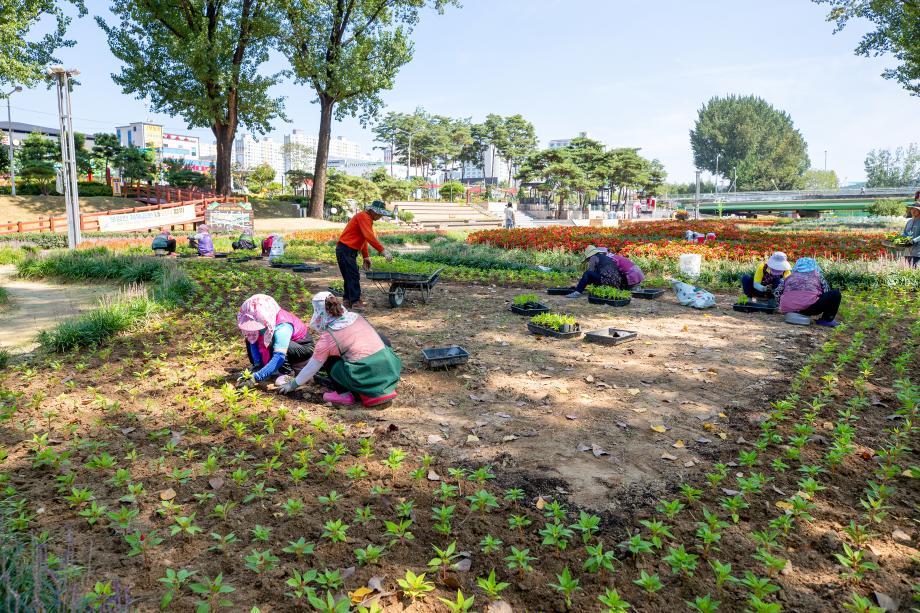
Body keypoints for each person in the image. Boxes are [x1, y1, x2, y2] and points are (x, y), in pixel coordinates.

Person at [278, 292, 401, 407]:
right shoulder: (356, 317)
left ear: (319, 312)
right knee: (380, 338)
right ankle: (381, 382)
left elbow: (312, 366)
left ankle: (344, 395)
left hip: (364, 378)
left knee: (328, 359)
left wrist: (293, 384)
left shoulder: (328, 337)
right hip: (390, 372)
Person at [236, 294, 314, 385]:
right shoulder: (261, 323)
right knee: (250, 336)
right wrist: (257, 365)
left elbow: (280, 355)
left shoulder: (283, 326)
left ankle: (286, 373)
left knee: (273, 342)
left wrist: (256, 377)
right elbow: (252, 342)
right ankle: (261, 367)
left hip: (301, 348)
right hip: (280, 346)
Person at [336, 201, 394, 309]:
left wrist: (365, 256)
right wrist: (383, 251)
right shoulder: (364, 217)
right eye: (380, 213)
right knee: (352, 276)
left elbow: (364, 239)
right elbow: (369, 236)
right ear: (373, 211)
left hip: (346, 250)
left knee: (350, 276)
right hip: (345, 249)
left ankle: (347, 301)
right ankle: (355, 302)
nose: (381, 216)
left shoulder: (366, 218)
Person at [774, 257, 841, 327]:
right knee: (835, 294)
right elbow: (826, 291)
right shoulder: (817, 275)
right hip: (808, 309)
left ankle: (791, 308)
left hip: (788, 309)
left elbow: (777, 292)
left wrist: (782, 305)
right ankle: (826, 320)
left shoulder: (789, 277)